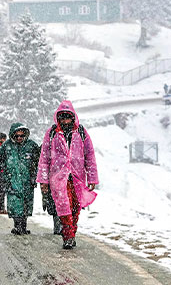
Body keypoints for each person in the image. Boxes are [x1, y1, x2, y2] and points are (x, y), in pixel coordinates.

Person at [38, 100, 99, 250]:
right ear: (58, 118)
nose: (65, 121)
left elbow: (89, 156)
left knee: (75, 208)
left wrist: (92, 177)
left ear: (73, 117)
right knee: (63, 207)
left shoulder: (82, 133)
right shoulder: (52, 133)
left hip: (77, 177)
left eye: (68, 118)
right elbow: (44, 158)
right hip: (58, 177)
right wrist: (43, 181)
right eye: (62, 118)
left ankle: (72, 233)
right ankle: (68, 236)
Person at [0, 123, 41, 235]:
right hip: (12, 181)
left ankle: (23, 225)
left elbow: (39, 162)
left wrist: (35, 176)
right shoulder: (6, 146)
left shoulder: (31, 146)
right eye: (16, 136)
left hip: (27, 182)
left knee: (26, 205)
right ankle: (17, 226)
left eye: (21, 136)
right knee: (15, 204)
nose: (19, 138)